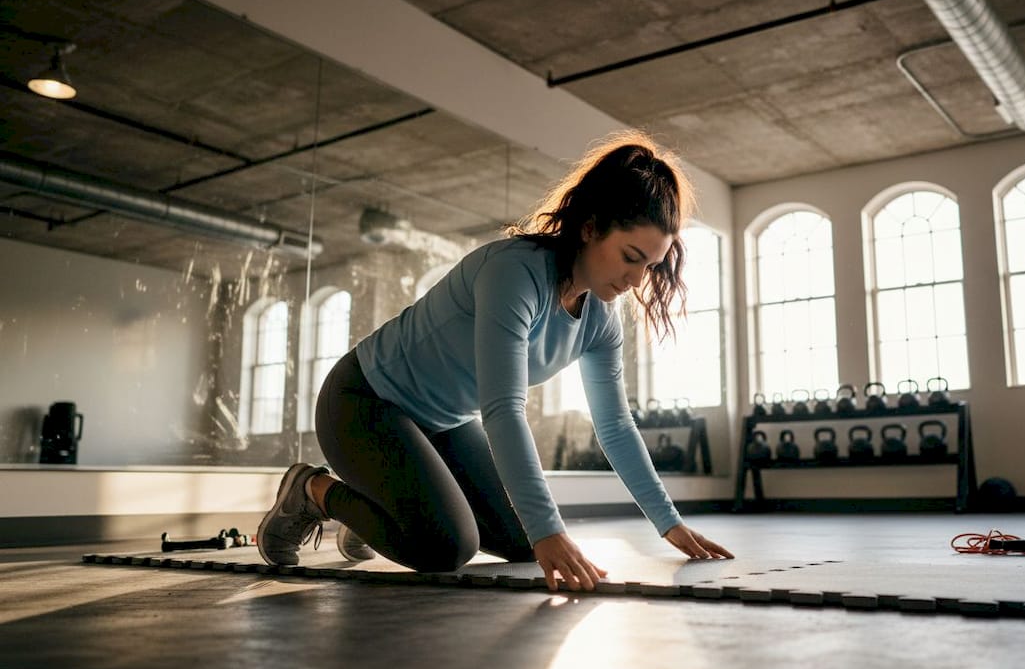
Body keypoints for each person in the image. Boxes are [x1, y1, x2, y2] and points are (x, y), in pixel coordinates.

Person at [257, 129, 734, 591]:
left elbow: (614, 427)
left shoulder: (600, 321)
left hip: (442, 423)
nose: (637, 279)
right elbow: (503, 408)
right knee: (447, 547)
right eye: (630, 256)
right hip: (364, 401)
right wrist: (549, 529)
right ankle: (312, 491)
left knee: (525, 541)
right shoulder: (515, 273)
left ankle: (384, 505)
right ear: (590, 228)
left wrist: (669, 523)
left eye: (650, 265)